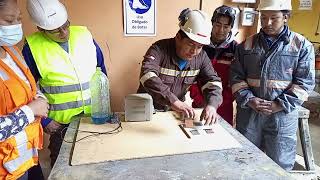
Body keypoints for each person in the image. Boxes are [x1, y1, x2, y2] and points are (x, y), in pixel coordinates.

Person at [230, 0, 315, 171]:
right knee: (245, 162)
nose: (267, 23)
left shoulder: (301, 46)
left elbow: (304, 83)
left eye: (274, 18)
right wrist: (250, 99)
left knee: (280, 165)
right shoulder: (247, 44)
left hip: (281, 117)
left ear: (286, 17)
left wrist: (280, 104)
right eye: (263, 18)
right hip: (250, 114)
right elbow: (235, 77)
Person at [22, 0, 107, 167]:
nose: (63, 32)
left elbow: (101, 71)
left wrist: (103, 107)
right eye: (55, 30)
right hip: (61, 125)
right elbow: (27, 90)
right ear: (41, 29)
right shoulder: (32, 48)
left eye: (66, 25)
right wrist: (44, 121)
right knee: (63, 169)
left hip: (94, 117)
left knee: (98, 165)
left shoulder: (84, 35)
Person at [137, 9, 223, 124]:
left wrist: (212, 105)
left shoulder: (202, 57)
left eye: (200, 46)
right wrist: (174, 101)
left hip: (176, 112)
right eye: (190, 44)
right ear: (178, 37)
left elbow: (213, 82)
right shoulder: (159, 49)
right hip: (147, 112)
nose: (194, 51)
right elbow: (147, 75)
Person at [0, 0, 49, 179]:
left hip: (22, 159)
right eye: (9, 20)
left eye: (19, 19)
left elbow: (29, 87)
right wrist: (31, 111)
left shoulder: (12, 51)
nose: (16, 26)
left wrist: (40, 98)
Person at [189, 5, 237, 126]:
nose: (221, 30)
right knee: (195, 134)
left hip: (224, 105)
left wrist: (218, 102)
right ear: (212, 24)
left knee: (223, 139)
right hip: (198, 102)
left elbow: (236, 80)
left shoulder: (236, 49)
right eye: (217, 25)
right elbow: (191, 74)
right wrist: (200, 100)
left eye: (226, 26)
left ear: (231, 28)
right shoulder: (200, 44)